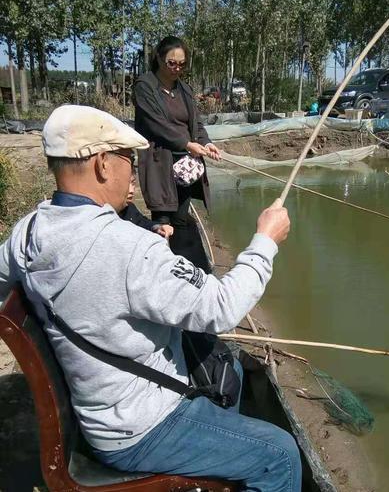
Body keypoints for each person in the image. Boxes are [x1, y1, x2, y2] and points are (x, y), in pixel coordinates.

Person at [0, 105, 300, 491]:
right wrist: (265, 242)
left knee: (230, 369)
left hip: (102, 410)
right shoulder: (129, 247)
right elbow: (221, 307)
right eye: (128, 158)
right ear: (102, 164)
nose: (133, 170)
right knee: (280, 454)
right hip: (142, 425)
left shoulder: (29, 230)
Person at [134, 35, 218, 272]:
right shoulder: (145, 87)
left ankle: (187, 270)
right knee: (162, 218)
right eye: (172, 63)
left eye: (181, 64)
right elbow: (155, 124)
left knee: (181, 215)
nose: (177, 68)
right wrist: (186, 143)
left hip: (184, 166)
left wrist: (205, 142)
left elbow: (196, 125)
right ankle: (161, 271)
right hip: (159, 160)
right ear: (159, 58)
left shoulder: (184, 90)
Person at [118, 172, 174, 238]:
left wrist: (158, 227)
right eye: (125, 184)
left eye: (133, 183)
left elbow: (142, 222)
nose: (131, 190)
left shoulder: (129, 207)